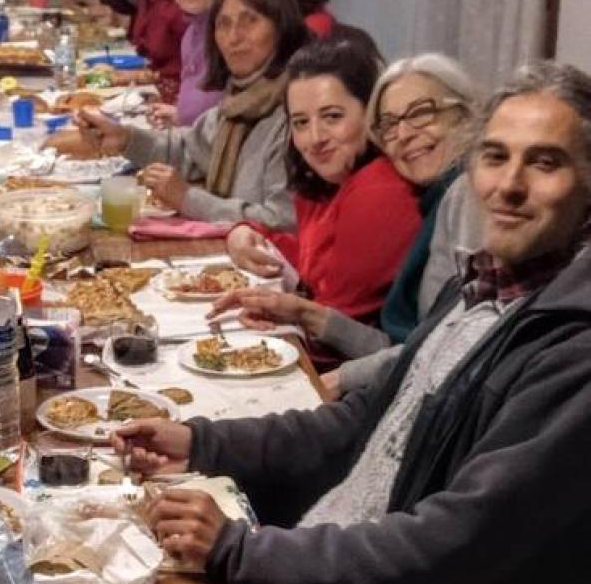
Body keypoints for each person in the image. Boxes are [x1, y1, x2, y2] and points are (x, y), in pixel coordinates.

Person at [116, 61, 591, 583]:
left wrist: (241, 551)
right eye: (495, 157)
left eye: (545, 163)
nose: (509, 185)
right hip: (328, 539)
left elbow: (461, 541)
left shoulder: (572, 346)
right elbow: (363, 420)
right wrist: (199, 442)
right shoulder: (481, 285)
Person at [211, 53, 480, 396]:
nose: (405, 133)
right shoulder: (433, 195)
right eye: (390, 123)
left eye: (421, 113)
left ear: (466, 112)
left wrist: (338, 367)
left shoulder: (459, 197)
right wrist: (245, 233)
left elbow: (445, 352)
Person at [221, 40, 422, 362]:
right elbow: (312, 262)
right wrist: (243, 232)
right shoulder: (330, 180)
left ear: (370, 113)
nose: (315, 138)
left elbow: (330, 331)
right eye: (301, 122)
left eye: (332, 116)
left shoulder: (378, 191)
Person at [76, 0, 308, 229]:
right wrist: (124, 138)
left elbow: (283, 221)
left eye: (249, 21)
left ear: (282, 28)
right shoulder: (240, 99)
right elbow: (190, 151)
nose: (234, 37)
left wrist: (188, 198)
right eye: (224, 24)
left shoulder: (297, 112)